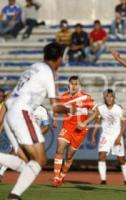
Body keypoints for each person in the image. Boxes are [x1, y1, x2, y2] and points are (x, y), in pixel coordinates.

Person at [0, 42, 73, 200]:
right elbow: (55, 106)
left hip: (10, 111)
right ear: (59, 59)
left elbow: (13, 93)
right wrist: (70, 109)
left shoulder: (32, 67)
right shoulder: (49, 73)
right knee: (40, 160)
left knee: (26, 162)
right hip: (22, 113)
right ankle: (14, 196)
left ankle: (14, 196)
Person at [78, 89, 126, 185]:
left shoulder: (118, 109)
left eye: (111, 96)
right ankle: (103, 180)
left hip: (116, 136)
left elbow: (125, 124)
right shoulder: (101, 108)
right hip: (105, 136)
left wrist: (119, 136)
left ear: (114, 98)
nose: (109, 98)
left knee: (121, 159)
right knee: (101, 156)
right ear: (104, 98)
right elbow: (97, 121)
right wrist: (93, 135)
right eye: (107, 96)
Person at [52, 76, 96, 187]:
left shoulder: (85, 97)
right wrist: (55, 119)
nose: (73, 86)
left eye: (76, 84)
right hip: (67, 128)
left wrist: (85, 122)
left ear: (78, 85)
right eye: (72, 84)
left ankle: (62, 176)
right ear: (69, 85)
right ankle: (56, 178)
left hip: (79, 131)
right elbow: (57, 108)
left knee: (69, 156)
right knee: (59, 149)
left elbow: (97, 112)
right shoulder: (64, 97)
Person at [0, 105, 50, 183]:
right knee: (16, 151)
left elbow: (46, 126)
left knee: (34, 159)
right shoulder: (23, 106)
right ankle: (1, 172)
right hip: (21, 133)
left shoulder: (42, 110)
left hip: (33, 137)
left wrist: (38, 133)